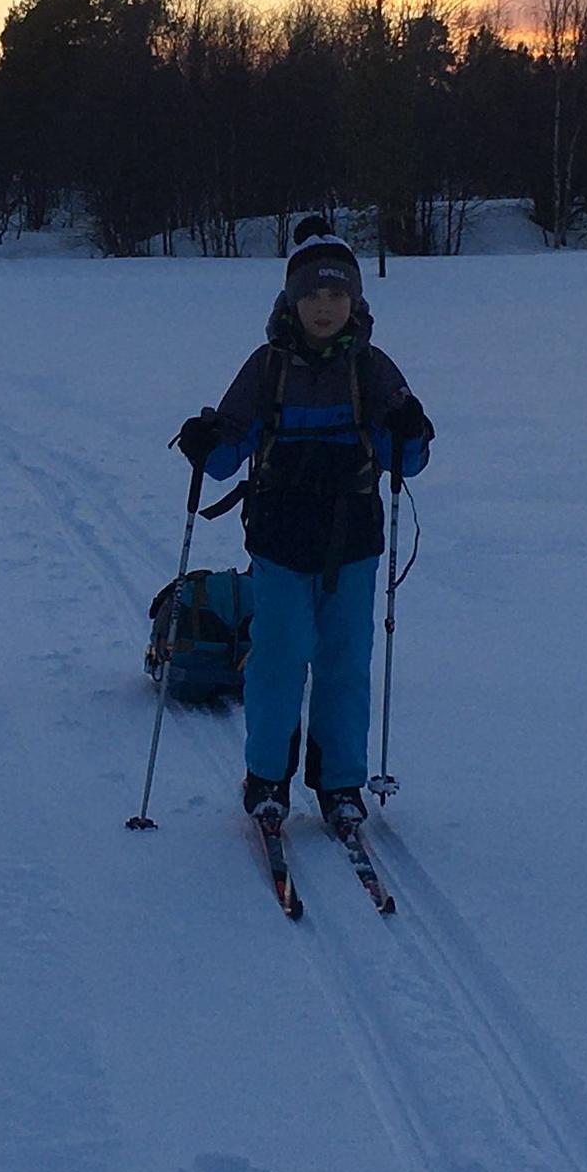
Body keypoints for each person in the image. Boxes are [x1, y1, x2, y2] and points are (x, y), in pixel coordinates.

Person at [172, 216, 434, 837]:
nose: (324, 307)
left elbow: (411, 460)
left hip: (352, 543)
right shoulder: (267, 368)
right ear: (292, 300)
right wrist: (202, 440)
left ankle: (341, 784)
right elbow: (222, 459)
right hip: (281, 539)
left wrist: (411, 429)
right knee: (279, 658)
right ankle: (266, 779)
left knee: (345, 662)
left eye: (336, 294)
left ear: (355, 301)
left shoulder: (371, 368)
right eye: (313, 295)